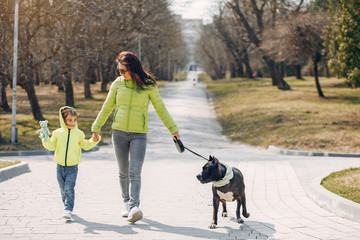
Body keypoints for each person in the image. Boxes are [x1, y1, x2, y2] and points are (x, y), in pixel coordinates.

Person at [91, 51, 180, 223]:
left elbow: (161, 109)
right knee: (123, 171)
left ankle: (135, 206)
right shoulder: (118, 84)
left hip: (139, 134)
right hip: (119, 133)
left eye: (124, 71)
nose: (121, 74)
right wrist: (96, 127)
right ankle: (126, 203)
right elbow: (107, 107)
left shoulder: (148, 85)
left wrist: (173, 129)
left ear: (132, 68)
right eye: (119, 71)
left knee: (135, 172)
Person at [40, 106, 101, 220]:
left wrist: (94, 140)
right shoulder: (57, 133)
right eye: (69, 120)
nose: (72, 123)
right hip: (59, 167)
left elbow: (86, 145)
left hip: (72, 168)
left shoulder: (79, 133)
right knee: (63, 190)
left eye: (75, 120)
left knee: (69, 188)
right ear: (63, 120)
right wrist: (45, 138)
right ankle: (66, 207)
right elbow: (51, 146)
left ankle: (68, 209)